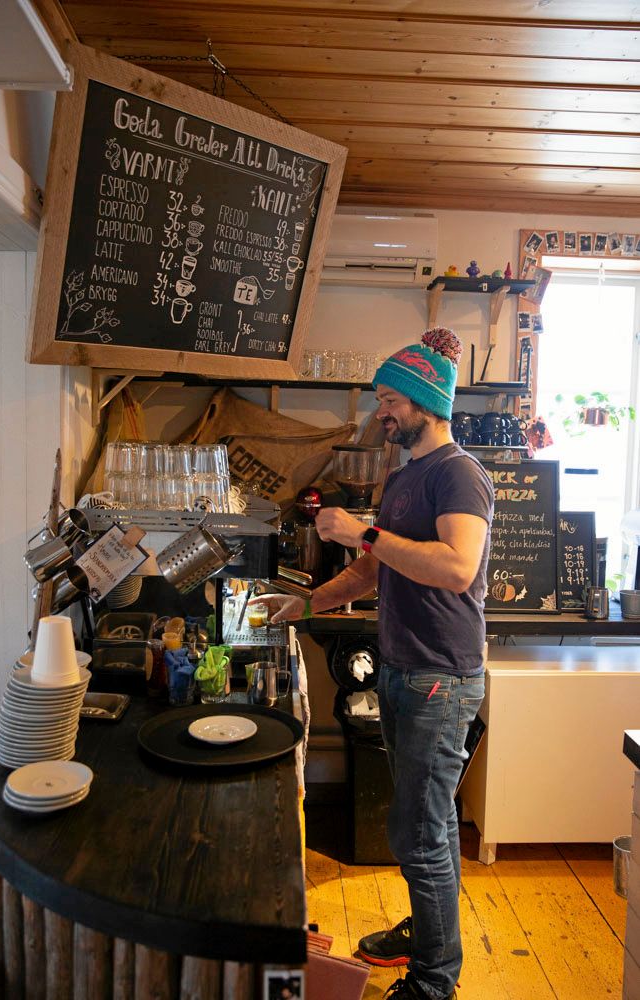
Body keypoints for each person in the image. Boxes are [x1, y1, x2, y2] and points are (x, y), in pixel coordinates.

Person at [253, 328, 494, 1000]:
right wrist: (301, 606)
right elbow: (373, 568)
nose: (380, 411)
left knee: (418, 832)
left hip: (437, 675)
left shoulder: (456, 473)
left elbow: (455, 568)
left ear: (424, 402)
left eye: (391, 399)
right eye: (380, 398)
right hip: (403, 666)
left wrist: (359, 528)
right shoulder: (405, 477)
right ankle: (428, 933)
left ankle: (432, 982)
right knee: (423, 822)